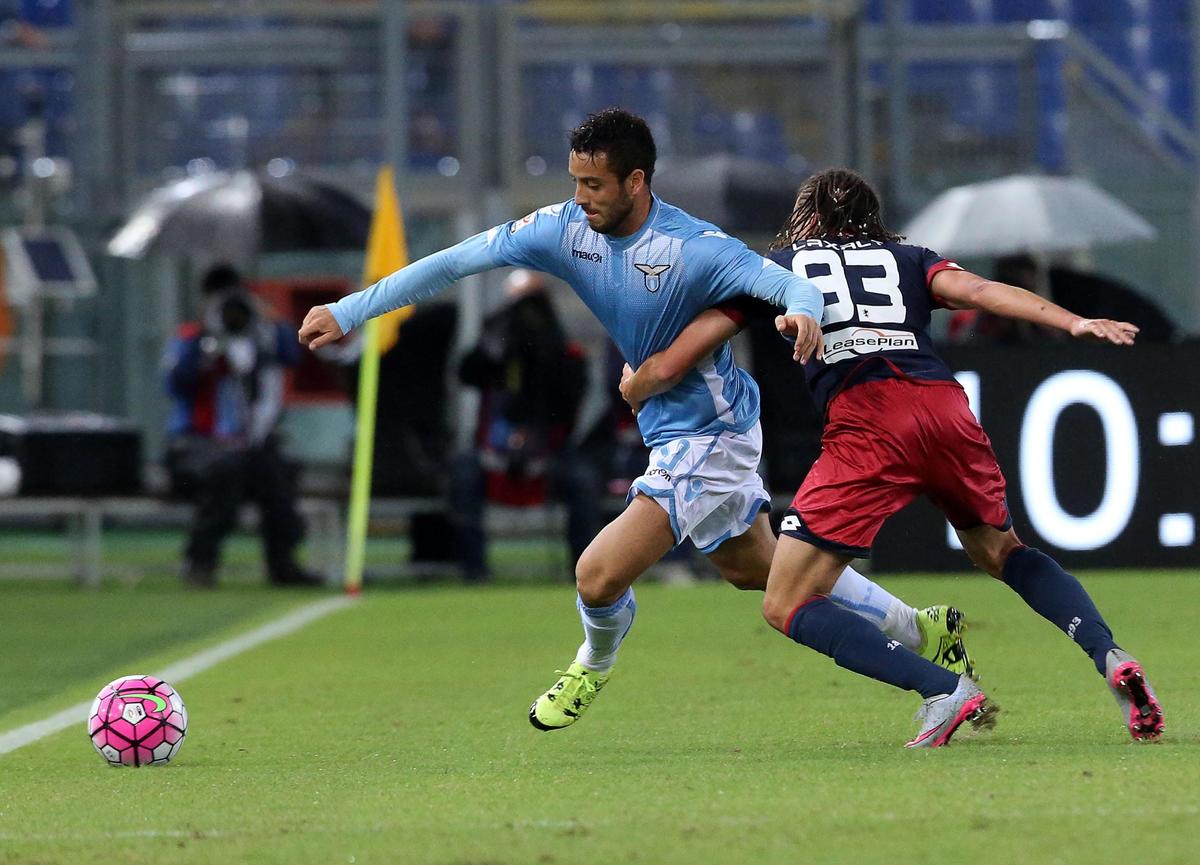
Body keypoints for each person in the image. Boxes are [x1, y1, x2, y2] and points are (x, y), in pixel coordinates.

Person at [299, 109, 972, 733]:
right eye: (575, 181)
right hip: (676, 430)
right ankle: (920, 627)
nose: (581, 197)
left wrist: (801, 312)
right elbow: (455, 262)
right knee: (755, 568)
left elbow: (791, 284)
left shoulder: (694, 246)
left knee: (597, 575)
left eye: (594, 184)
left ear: (636, 181)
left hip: (711, 434)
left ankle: (591, 664)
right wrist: (350, 310)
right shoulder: (564, 229)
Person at [636, 168, 1161, 747]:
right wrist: (1073, 321)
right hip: (944, 408)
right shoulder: (909, 258)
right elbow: (981, 292)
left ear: (809, 215)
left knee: (786, 601)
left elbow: (683, 351)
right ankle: (1108, 653)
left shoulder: (779, 266)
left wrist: (640, 382)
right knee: (1002, 550)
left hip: (869, 422)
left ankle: (942, 690)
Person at [164, 265, 322, 589]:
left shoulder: (257, 337)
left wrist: (267, 320)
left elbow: (291, 355)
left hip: (246, 448)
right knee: (227, 470)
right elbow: (177, 382)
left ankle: (283, 561)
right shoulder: (191, 338)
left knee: (276, 471)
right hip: (196, 444)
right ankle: (201, 561)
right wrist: (207, 339)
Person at [450, 268, 600, 582]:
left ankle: (584, 571)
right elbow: (466, 373)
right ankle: (473, 570)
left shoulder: (566, 353)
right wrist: (494, 345)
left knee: (583, 480)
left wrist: (545, 356)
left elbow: (571, 401)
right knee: (461, 474)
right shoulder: (495, 349)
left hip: (550, 452)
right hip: (493, 451)